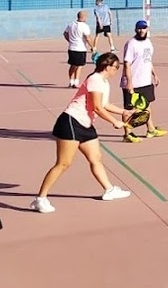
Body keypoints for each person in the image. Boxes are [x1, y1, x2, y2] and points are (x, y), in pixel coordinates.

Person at [30, 53, 131, 213]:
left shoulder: (104, 82)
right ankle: (40, 199)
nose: (116, 71)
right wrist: (115, 122)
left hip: (86, 124)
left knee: (95, 158)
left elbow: (105, 104)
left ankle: (109, 190)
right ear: (108, 66)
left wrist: (123, 112)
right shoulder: (95, 80)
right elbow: (98, 107)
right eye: (115, 68)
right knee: (63, 163)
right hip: (71, 122)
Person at [121, 21, 166, 142]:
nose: (141, 31)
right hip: (133, 82)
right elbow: (127, 64)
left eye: (143, 28)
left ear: (147, 29)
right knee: (130, 110)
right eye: (139, 29)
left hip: (145, 81)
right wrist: (129, 83)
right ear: (135, 30)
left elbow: (148, 60)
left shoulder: (148, 43)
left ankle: (151, 130)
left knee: (147, 107)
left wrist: (154, 74)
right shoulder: (131, 44)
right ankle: (127, 134)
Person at [63, 10, 95, 88]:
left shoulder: (71, 24)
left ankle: (71, 81)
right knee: (79, 65)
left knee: (73, 65)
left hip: (72, 48)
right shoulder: (85, 26)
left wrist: (70, 41)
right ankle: (76, 82)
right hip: (81, 48)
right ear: (83, 17)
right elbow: (88, 38)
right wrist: (93, 47)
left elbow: (65, 33)